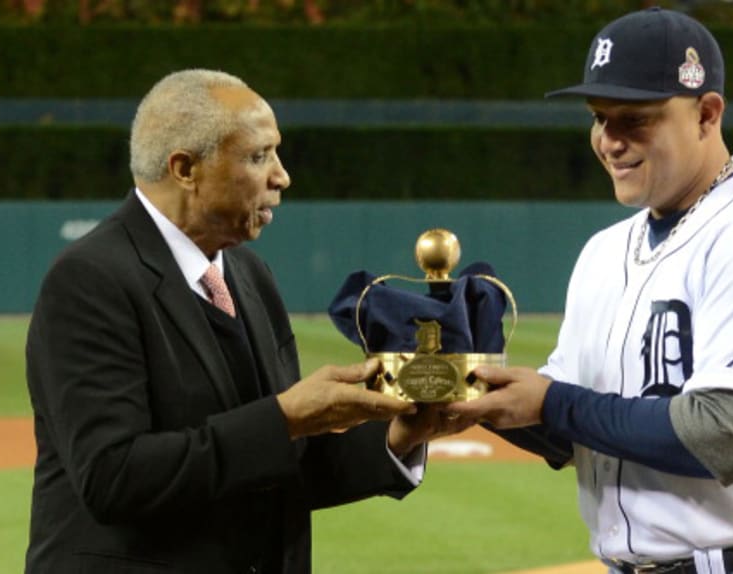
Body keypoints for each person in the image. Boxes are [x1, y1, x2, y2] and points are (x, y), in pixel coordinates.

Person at [448, 8, 733, 573]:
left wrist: (550, 401)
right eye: (598, 117)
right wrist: (470, 390)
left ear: (706, 114)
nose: (609, 141)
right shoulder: (603, 252)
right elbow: (574, 430)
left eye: (634, 119)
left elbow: (730, 435)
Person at [24, 69, 463, 573]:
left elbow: (275, 464)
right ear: (185, 168)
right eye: (259, 156)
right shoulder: (91, 278)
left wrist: (400, 435)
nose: (282, 176)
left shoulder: (247, 272)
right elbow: (114, 477)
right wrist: (287, 417)